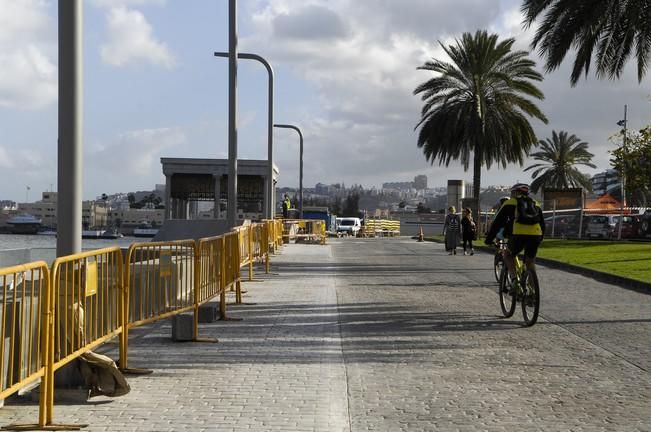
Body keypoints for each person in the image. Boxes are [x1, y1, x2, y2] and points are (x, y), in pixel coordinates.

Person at [485, 183, 545, 284]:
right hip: (536, 235)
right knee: (530, 262)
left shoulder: (510, 203)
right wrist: (540, 238)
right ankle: (532, 292)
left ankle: (514, 280)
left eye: (512, 192)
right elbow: (542, 224)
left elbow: (498, 223)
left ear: (515, 192)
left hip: (518, 234)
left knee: (508, 254)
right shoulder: (535, 204)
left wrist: (489, 239)